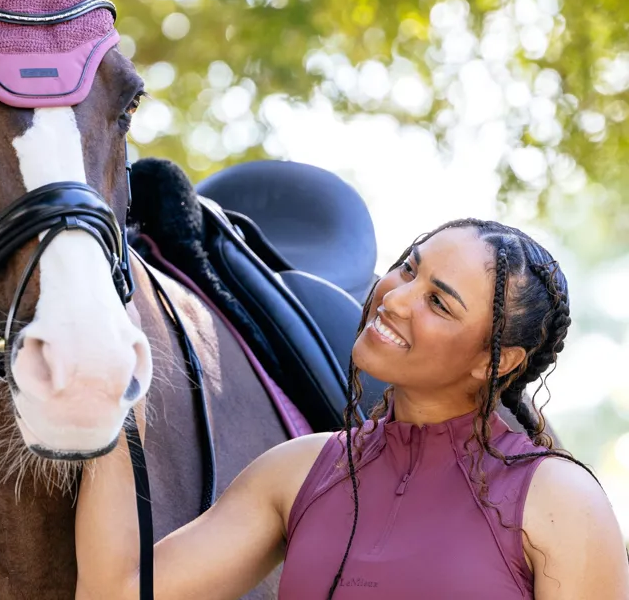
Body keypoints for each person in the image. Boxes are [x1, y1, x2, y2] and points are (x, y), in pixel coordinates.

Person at [75, 219, 629, 600]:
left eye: (438, 301)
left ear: (495, 360)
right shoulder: (295, 472)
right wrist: (118, 402)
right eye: (408, 269)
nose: (395, 298)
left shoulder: (558, 500)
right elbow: (118, 594)